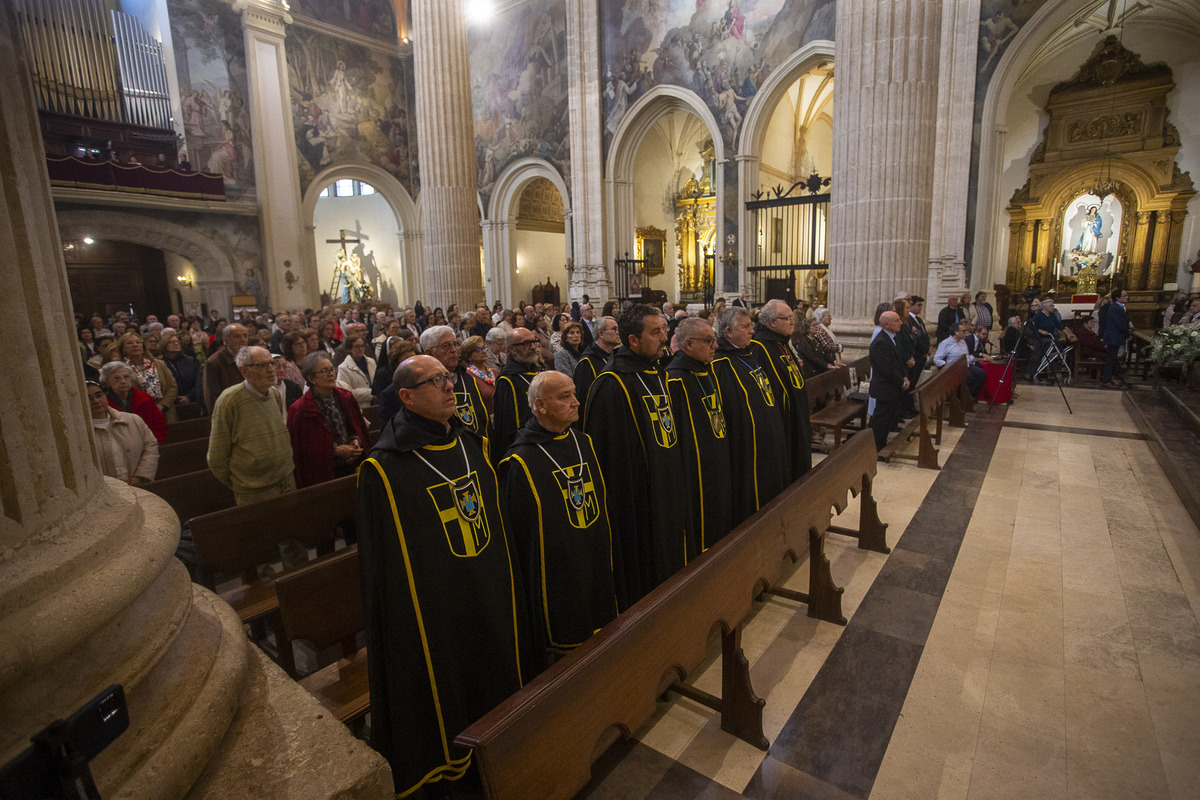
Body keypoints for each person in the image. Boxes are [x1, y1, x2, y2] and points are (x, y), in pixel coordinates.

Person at [356, 354, 528, 797]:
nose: (451, 386)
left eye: (448, 378)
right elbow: (387, 563)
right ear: (408, 397)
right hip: (436, 600)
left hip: (485, 580)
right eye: (436, 382)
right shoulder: (384, 467)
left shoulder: (470, 441)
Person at [498, 371, 617, 668]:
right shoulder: (519, 461)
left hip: (593, 550)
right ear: (540, 405)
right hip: (557, 570)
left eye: (574, 394)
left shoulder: (583, 441)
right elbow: (521, 537)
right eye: (565, 397)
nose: (576, 402)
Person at [584, 303, 687, 610]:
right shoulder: (611, 384)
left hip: (665, 488)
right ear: (633, 340)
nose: (663, 338)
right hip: (638, 505)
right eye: (656, 332)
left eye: (665, 330)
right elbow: (608, 460)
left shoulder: (654, 372)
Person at [710, 306, 788, 526]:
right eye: (745, 327)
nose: (752, 331)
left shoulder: (749, 354)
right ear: (728, 331)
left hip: (768, 440)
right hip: (747, 446)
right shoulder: (720, 363)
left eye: (751, 326)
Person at [666, 317, 733, 557]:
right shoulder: (674, 379)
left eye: (714, 339)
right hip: (696, 469)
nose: (715, 345)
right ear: (689, 345)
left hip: (716, 458)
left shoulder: (706, 370)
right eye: (708, 340)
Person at [207, 345, 295, 505]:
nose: (271, 369)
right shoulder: (229, 400)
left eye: (271, 363)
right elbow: (216, 457)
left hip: (286, 481)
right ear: (244, 371)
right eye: (262, 365)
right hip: (255, 491)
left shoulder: (273, 393)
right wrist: (243, 483)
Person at [751, 299, 813, 480]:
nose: (792, 322)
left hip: (797, 414)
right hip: (783, 419)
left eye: (792, 317)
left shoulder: (782, 343)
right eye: (787, 318)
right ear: (772, 322)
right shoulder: (760, 347)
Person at [287, 353, 370, 487]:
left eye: (332, 369)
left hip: (353, 463)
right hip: (324, 472)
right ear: (311, 378)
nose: (331, 374)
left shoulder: (346, 397)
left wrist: (355, 440)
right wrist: (335, 450)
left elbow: (356, 427)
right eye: (324, 371)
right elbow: (302, 448)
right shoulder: (300, 409)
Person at [421, 325, 493, 442]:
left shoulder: (469, 379)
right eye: (446, 346)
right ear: (429, 353)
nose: (454, 349)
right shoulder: (424, 386)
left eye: (455, 344)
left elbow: (483, 419)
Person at [86, 380, 158, 485]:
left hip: (138, 485)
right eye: (89, 398)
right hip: (106, 491)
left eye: (99, 395)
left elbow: (150, 447)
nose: (96, 401)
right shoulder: (80, 433)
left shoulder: (132, 420)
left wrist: (140, 476)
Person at [493, 328, 544, 463]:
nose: (533, 347)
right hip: (525, 447)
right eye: (526, 344)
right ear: (512, 350)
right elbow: (509, 427)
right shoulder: (508, 380)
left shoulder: (539, 372)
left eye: (534, 342)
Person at [869, 311, 909, 451]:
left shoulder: (892, 337)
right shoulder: (880, 342)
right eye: (897, 320)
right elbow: (886, 369)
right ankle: (872, 446)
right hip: (884, 387)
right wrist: (901, 382)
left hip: (892, 387)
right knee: (881, 419)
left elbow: (897, 362)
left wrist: (904, 377)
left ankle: (881, 443)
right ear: (886, 324)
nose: (901, 322)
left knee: (888, 418)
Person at [100, 361, 167, 444]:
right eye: (116, 378)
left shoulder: (145, 398)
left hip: (149, 445)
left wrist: (153, 444)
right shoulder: (103, 404)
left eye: (126, 377)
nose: (123, 381)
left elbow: (159, 425)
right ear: (107, 382)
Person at [117, 332, 178, 421]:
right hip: (139, 415)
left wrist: (161, 405)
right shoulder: (120, 370)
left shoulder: (159, 364)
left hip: (165, 412)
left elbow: (172, 386)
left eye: (138, 342)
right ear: (123, 349)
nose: (135, 345)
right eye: (130, 343)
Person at [573, 316, 619, 419]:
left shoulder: (613, 356)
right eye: (614, 329)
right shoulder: (587, 362)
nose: (618, 333)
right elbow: (583, 400)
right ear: (601, 334)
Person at [203, 323, 249, 411]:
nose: (243, 340)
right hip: (231, 410)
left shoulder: (251, 357)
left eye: (245, 336)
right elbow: (212, 396)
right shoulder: (214, 362)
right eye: (237, 337)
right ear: (226, 340)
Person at [934, 322, 987, 397]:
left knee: (981, 373)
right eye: (963, 331)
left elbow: (968, 356)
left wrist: (981, 359)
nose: (966, 333)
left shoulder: (962, 341)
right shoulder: (945, 343)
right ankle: (961, 397)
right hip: (955, 368)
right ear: (956, 332)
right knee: (968, 376)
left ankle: (969, 395)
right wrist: (947, 365)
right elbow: (936, 359)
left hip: (966, 365)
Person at [159, 331, 203, 408]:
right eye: (172, 342)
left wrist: (189, 396)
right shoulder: (160, 364)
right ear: (164, 345)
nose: (176, 344)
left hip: (194, 400)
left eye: (177, 341)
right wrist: (176, 399)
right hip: (171, 404)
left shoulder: (190, 360)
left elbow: (199, 381)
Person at [335, 334, 376, 408]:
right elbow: (346, 392)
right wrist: (371, 394)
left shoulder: (371, 362)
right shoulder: (343, 368)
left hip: (376, 404)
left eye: (362, 346)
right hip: (360, 407)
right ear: (349, 349)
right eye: (357, 346)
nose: (360, 349)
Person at [1101, 288, 1130, 388]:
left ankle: (1110, 378)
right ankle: (1106, 380)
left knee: (1112, 360)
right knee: (1110, 360)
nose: (1127, 297)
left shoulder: (1118, 307)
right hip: (1113, 337)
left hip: (1115, 337)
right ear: (1117, 298)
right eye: (1124, 296)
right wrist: (1127, 334)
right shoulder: (1115, 308)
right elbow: (1120, 324)